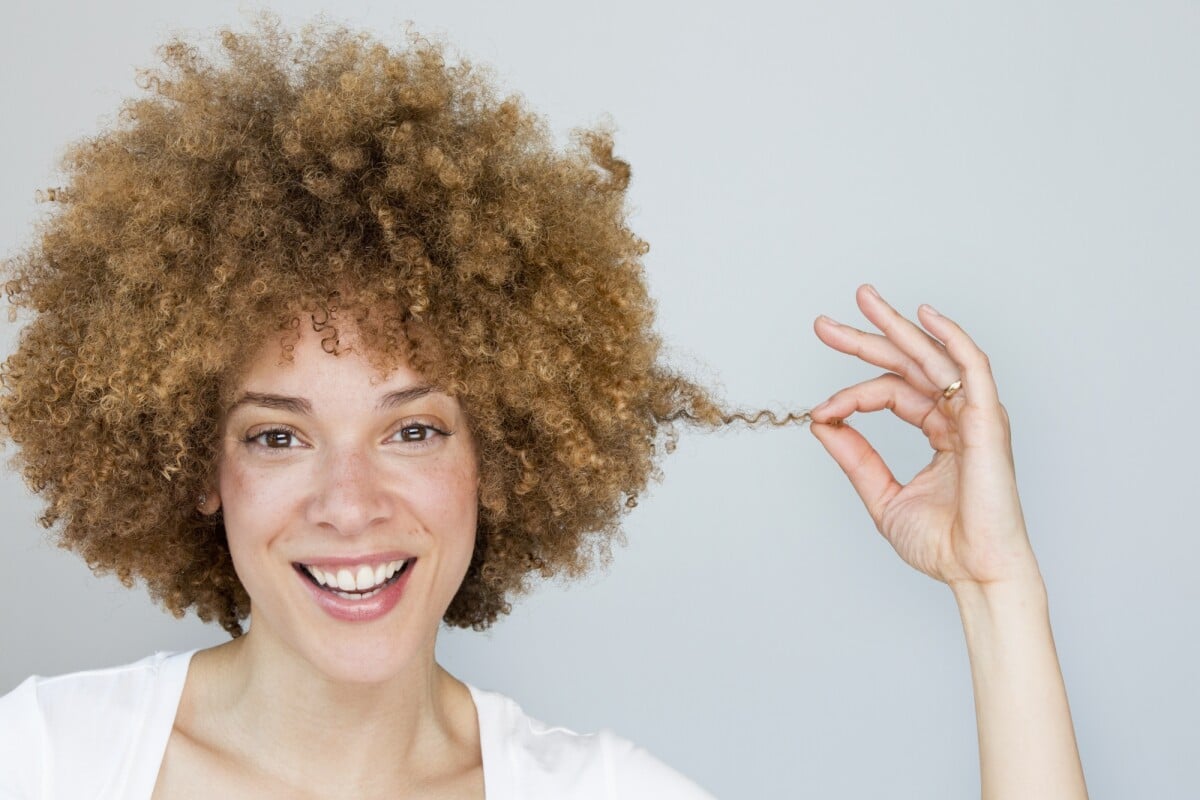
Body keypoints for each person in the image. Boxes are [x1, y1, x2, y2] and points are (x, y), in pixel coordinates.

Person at [0, 14, 1088, 799]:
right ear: (198, 464)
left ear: (501, 451)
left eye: (413, 427)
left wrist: (997, 586)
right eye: (278, 435)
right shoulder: (43, 759)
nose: (350, 502)